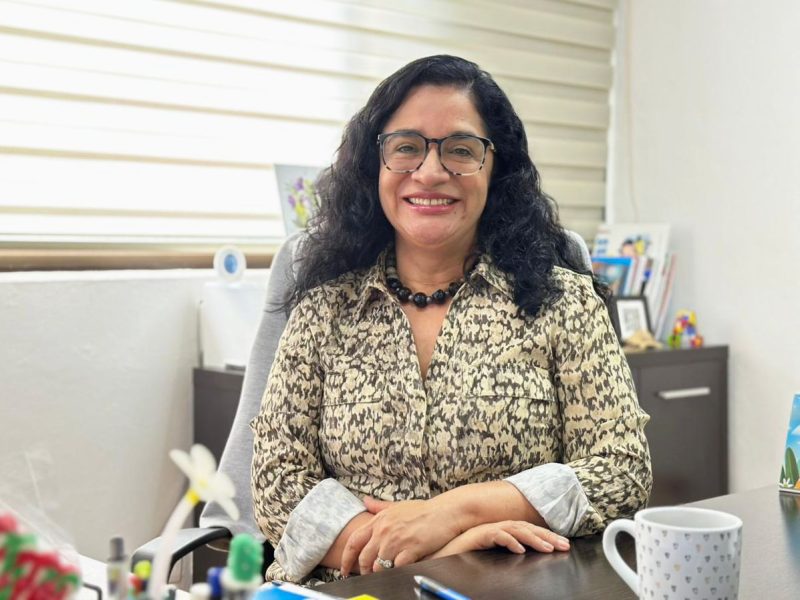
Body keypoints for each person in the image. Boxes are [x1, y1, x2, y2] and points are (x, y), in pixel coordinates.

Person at [250, 55, 652, 584]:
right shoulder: (323, 310)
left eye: (461, 149)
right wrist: (436, 551)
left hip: (509, 587)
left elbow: (621, 467)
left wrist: (453, 514)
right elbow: (278, 482)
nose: (431, 172)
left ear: (495, 168)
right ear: (375, 165)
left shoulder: (564, 302)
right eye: (406, 147)